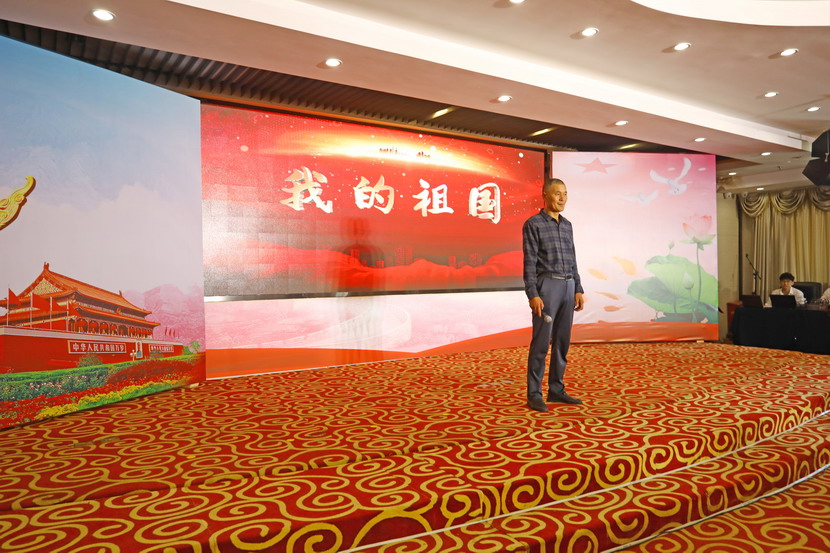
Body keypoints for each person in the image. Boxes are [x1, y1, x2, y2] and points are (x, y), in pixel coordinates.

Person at [522, 177, 584, 413]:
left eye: (565, 194)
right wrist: (533, 294)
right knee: (541, 343)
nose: (562, 198)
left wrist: (578, 288)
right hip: (547, 286)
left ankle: (556, 389)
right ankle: (534, 393)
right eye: (558, 193)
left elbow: (573, 258)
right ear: (545, 195)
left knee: (562, 342)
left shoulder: (567, 225)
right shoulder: (533, 224)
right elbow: (529, 262)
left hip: (568, 286)